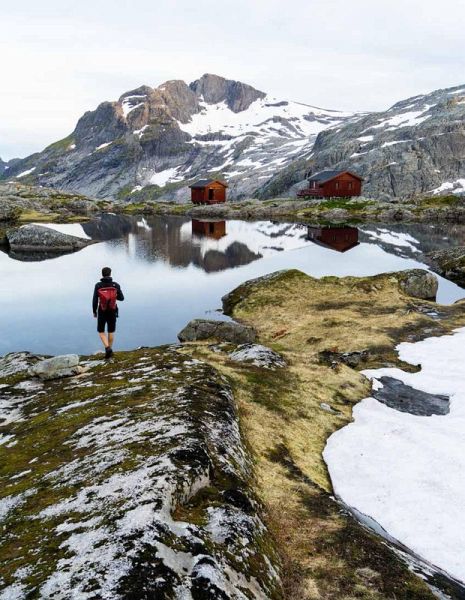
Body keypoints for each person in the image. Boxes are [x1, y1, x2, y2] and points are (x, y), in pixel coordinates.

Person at [92, 267, 124, 359]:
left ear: (102, 274)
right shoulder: (115, 285)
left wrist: (94, 311)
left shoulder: (98, 285)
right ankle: (110, 350)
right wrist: (114, 296)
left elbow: (94, 300)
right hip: (112, 310)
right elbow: (122, 298)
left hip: (102, 310)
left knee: (101, 331)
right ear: (110, 274)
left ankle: (107, 348)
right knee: (111, 331)